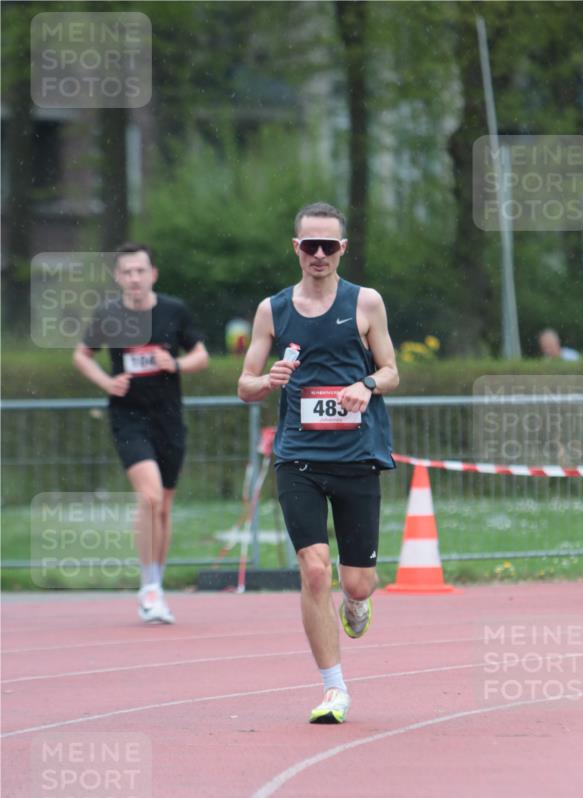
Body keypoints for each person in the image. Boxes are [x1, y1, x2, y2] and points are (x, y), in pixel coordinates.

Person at [238, 202, 399, 724]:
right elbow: (245, 384)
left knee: (357, 583)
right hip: (299, 458)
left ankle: (356, 606)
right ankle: (334, 689)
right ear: (296, 249)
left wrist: (365, 384)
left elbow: (392, 370)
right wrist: (266, 383)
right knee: (313, 570)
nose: (320, 255)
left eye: (330, 245)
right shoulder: (273, 310)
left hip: (356, 460)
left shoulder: (365, 303)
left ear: (343, 249)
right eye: (311, 245)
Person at [73, 242, 209, 623]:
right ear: (118, 277)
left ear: (153, 274)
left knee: (163, 506)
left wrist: (176, 362)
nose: (134, 278)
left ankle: (156, 586)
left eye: (140, 271)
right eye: (126, 272)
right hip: (128, 417)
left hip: (168, 418)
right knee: (148, 497)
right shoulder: (109, 314)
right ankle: (149, 588)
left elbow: (202, 355)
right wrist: (106, 381)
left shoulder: (173, 310)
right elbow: (81, 355)